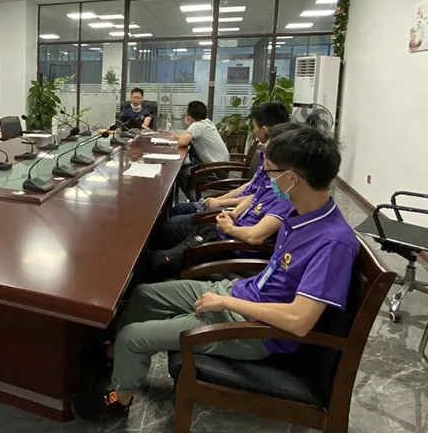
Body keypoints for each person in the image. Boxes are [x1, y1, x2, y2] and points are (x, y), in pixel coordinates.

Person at [72, 124, 359, 421]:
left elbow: (298, 321)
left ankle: (119, 400)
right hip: (241, 293)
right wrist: (229, 295)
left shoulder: (332, 242)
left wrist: (225, 302)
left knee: (134, 336)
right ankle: (114, 357)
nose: (264, 176)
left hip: (255, 329)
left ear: (292, 178)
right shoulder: (299, 212)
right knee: (145, 294)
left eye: (271, 171)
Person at [143, 123, 299, 282]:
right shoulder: (275, 180)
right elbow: (253, 197)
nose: (264, 163)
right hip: (218, 229)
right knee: (157, 234)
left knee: (154, 261)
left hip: (226, 244)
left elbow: (255, 237)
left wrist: (229, 227)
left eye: (268, 158)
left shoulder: (286, 197)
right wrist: (235, 213)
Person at [169, 102, 290, 224]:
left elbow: (256, 200)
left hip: (235, 211)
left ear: (265, 131)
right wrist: (217, 200)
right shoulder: (269, 157)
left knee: (173, 218)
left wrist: (220, 203)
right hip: (234, 203)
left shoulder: (279, 168)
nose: (254, 132)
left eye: (254, 127)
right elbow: (251, 188)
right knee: (177, 210)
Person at [163, 100, 230, 199]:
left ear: (189, 116)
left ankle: (196, 201)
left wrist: (178, 139)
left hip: (215, 171)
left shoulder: (197, 125)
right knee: (184, 168)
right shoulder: (207, 123)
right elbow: (187, 138)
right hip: (222, 168)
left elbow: (183, 142)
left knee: (181, 174)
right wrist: (176, 137)